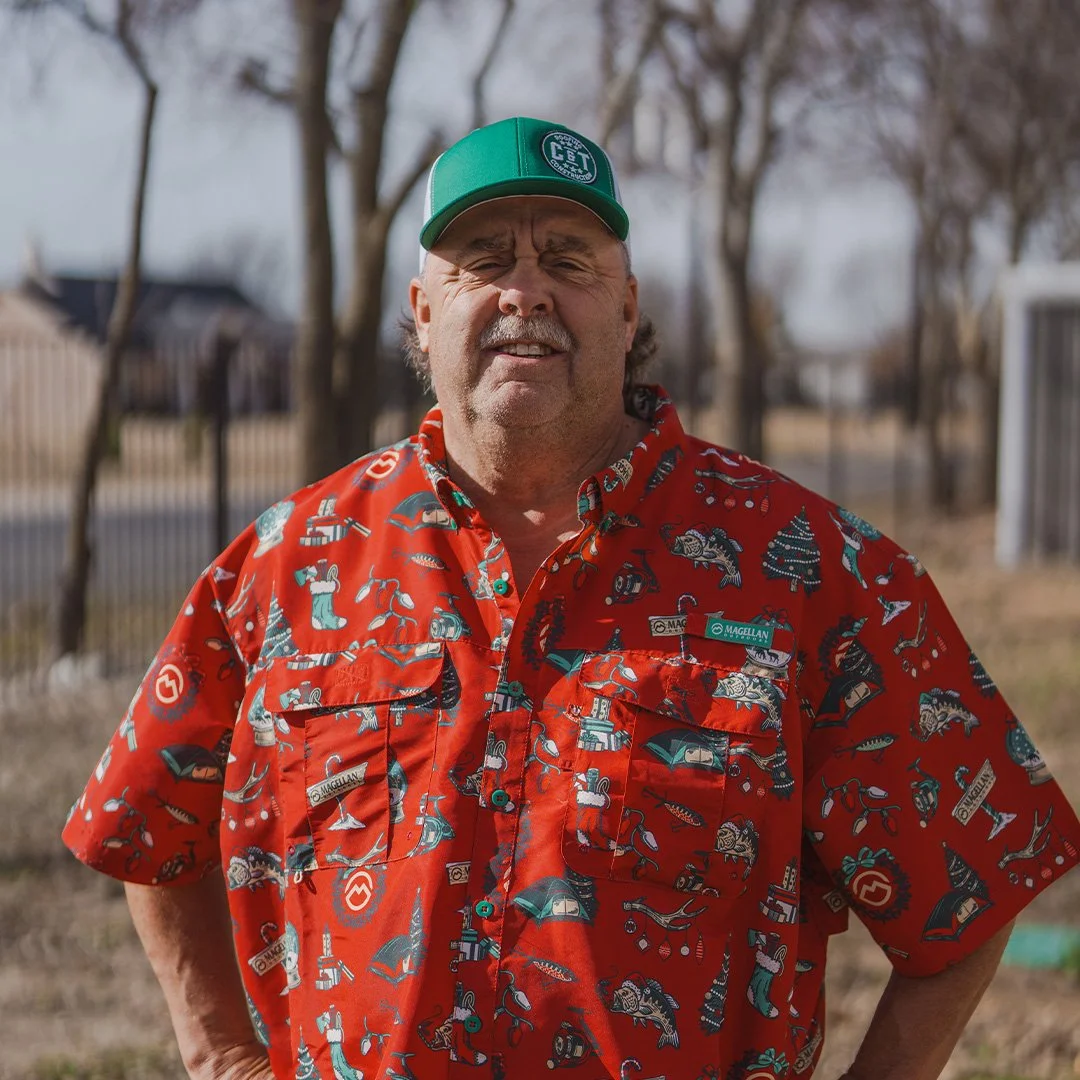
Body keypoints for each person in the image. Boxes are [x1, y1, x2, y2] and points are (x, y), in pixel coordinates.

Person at [64, 116, 1079, 1080]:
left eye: (569, 259)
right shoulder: (292, 568)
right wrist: (220, 1054)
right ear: (424, 311)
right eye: (484, 259)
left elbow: (974, 886)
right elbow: (146, 821)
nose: (527, 291)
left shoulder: (808, 572)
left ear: (630, 305)